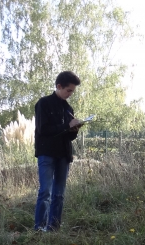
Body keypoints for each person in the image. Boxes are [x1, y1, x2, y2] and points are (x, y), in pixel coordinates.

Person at [34, 71, 84, 231]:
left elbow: (69, 137)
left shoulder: (68, 108)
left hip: (64, 154)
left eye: (72, 92)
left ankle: (54, 228)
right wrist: (67, 126)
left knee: (59, 194)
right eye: (68, 90)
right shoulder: (43, 103)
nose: (70, 94)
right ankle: (39, 229)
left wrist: (75, 129)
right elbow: (43, 130)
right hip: (47, 153)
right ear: (59, 86)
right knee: (45, 192)